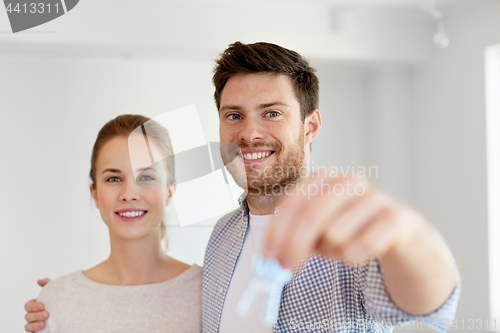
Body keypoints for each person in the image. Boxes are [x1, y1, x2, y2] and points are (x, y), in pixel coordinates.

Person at [25, 42, 460, 333]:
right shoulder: (222, 237)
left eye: (271, 113)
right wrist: (79, 299)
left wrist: (408, 235)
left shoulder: (344, 234)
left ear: (310, 126)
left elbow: (430, 306)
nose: (249, 133)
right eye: (234, 115)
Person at [25, 115, 202, 332]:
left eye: (146, 177)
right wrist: (61, 298)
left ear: (169, 191)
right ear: (95, 194)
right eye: (114, 179)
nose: (129, 194)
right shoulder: (55, 302)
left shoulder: (209, 293)